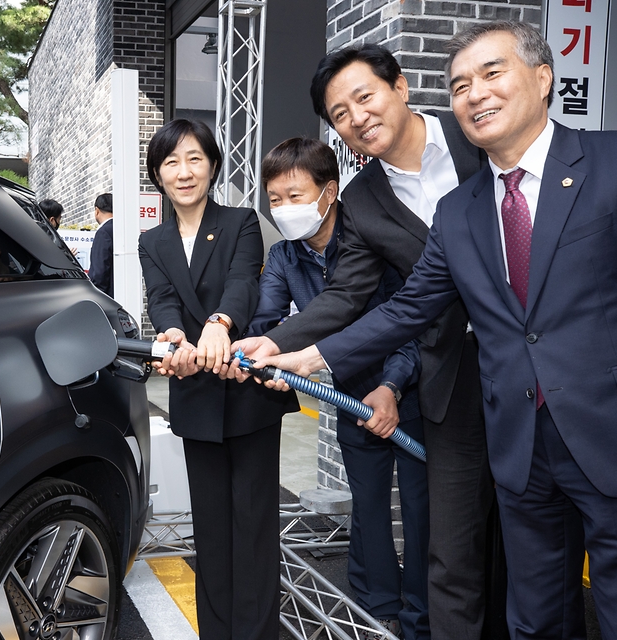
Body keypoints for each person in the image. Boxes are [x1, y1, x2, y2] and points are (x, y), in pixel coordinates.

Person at [256, 21, 617, 639]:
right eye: (339, 114)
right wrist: (298, 350)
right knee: (468, 552)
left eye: (491, 75)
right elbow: (376, 298)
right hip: (458, 382)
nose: (476, 95)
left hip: (587, 403)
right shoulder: (397, 203)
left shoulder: (545, 150)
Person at [231, 43, 500, 640]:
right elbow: (356, 298)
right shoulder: (363, 202)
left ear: (399, 86)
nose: (356, 116)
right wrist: (274, 347)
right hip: (446, 382)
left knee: (529, 528)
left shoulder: (476, 136)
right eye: (340, 113)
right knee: (447, 542)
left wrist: (386, 381)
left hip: (508, 366)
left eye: (364, 96)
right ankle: (407, 614)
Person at [251, 137, 428, 640]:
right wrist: (246, 345)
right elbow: (268, 321)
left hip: (411, 390)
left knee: (421, 512)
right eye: (275, 200)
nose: (284, 209)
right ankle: (377, 607)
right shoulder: (285, 257)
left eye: (294, 195)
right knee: (367, 504)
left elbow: (411, 320)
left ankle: (422, 617)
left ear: (329, 192)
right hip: (349, 397)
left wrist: (393, 384)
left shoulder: (373, 240)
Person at [138, 119, 298, 640]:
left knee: (253, 528)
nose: (184, 172)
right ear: (158, 174)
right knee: (209, 528)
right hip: (196, 393)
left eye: (194, 159)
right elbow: (161, 298)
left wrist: (217, 323)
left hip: (249, 392)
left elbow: (242, 284)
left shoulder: (239, 222)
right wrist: (171, 337)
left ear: (211, 164)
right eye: (170, 162)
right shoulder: (151, 240)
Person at [89, 193, 114, 296]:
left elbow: (99, 271)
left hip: (106, 296)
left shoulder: (103, 232)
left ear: (97, 210)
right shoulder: (122, 229)